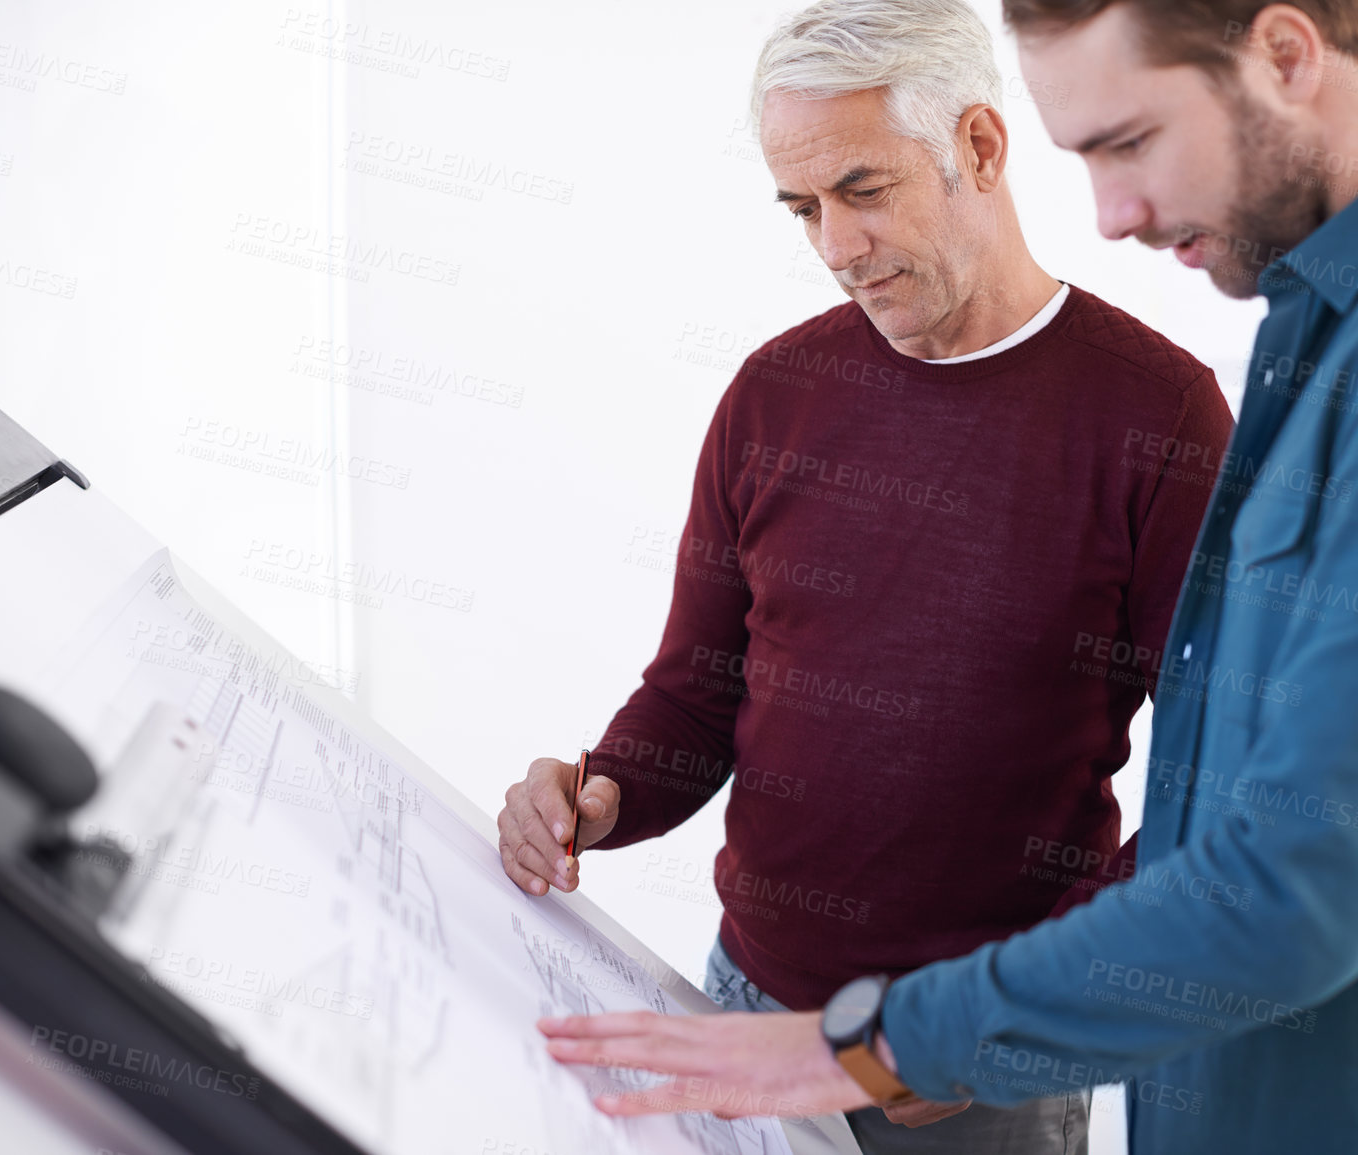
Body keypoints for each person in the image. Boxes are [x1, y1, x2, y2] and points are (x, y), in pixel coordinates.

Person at [536, 2, 1358, 1153]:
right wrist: (611, 793)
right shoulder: (1335, 318)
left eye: (1129, 143)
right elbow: (1231, 788)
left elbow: (1291, 871)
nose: (1112, 215)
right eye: (805, 209)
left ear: (1288, 55)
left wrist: (888, 1043)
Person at [497, 1, 1234, 1150]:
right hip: (742, 1005)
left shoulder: (1163, 418)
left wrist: (1005, 1021)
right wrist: (604, 792)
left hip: (969, 1069)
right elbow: (699, 691)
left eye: (865, 190)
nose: (835, 248)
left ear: (980, 148)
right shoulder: (771, 393)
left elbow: (1213, 779)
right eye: (804, 209)